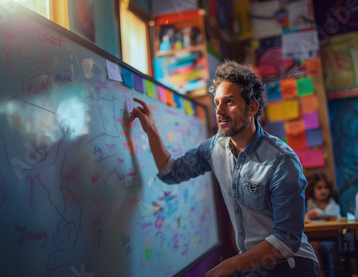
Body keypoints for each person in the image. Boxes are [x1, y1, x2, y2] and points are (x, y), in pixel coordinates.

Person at [129, 61, 320, 276]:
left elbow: (287, 241)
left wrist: (230, 265)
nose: (218, 110)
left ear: (252, 107)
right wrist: (152, 131)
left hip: (291, 266)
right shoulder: (214, 147)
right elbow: (171, 172)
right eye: (217, 102)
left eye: (229, 102)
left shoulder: (282, 161)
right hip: (250, 267)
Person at [305, 173, 340, 277]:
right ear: (313, 189)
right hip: (313, 236)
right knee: (310, 245)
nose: (323, 191)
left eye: (326, 188)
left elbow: (336, 216)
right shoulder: (309, 203)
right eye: (319, 188)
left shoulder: (332, 203)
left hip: (331, 236)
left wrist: (320, 213)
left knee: (323, 247)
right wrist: (308, 215)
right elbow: (304, 218)